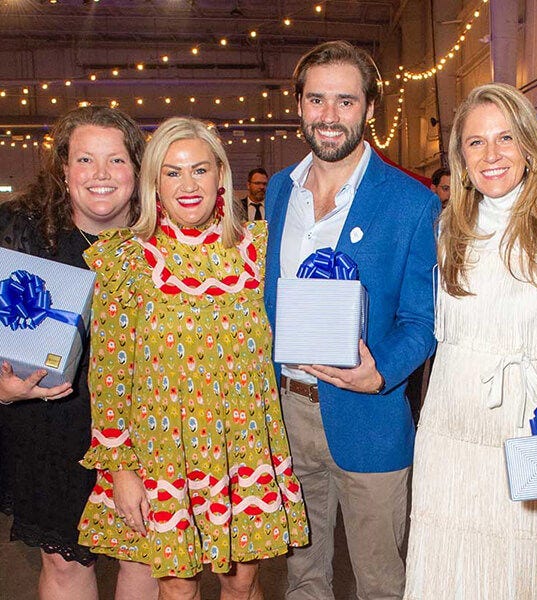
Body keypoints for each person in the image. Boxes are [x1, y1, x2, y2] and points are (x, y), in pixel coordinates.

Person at [77, 116, 308, 599]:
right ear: (153, 182)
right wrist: (120, 469)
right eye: (172, 172)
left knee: (242, 584)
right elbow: (109, 375)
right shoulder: (128, 260)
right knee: (178, 589)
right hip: (163, 452)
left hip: (244, 446)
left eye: (199, 170)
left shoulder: (260, 250)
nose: (187, 185)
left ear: (220, 175)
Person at [403, 83, 537, 599]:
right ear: (460, 156)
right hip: (448, 431)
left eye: (505, 138)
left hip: (528, 432)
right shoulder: (449, 227)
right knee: (448, 569)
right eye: (476, 143)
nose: (491, 155)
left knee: (521, 569)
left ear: (530, 147)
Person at [263, 40, 438, 599]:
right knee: (302, 577)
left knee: (381, 583)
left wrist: (381, 372)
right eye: (317, 100)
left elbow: (423, 319)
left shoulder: (412, 202)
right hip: (287, 413)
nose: (329, 116)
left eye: (345, 101)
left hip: (370, 415)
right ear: (298, 106)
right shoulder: (276, 193)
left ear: (368, 108)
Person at [0, 106, 157, 600]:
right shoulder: (22, 231)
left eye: (116, 161)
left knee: (145, 555)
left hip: (145, 423)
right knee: (66, 562)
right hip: (50, 423)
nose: (101, 175)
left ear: (137, 169)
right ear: (63, 170)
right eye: (85, 160)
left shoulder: (163, 238)